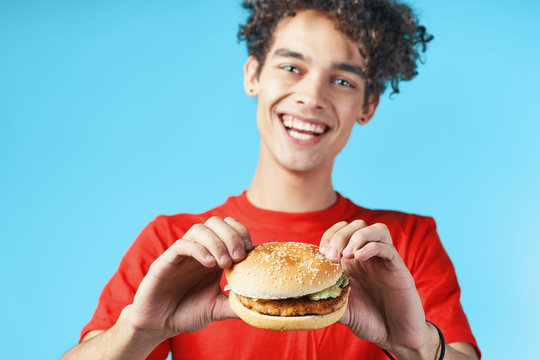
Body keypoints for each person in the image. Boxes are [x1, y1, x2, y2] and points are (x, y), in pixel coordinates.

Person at [62, 1, 480, 359]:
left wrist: (417, 346)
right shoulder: (175, 244)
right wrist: (141, 329)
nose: (312, 96)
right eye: (291, 66)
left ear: (367, 104)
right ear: (253, 75)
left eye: (342, 80)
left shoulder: (402, 243)